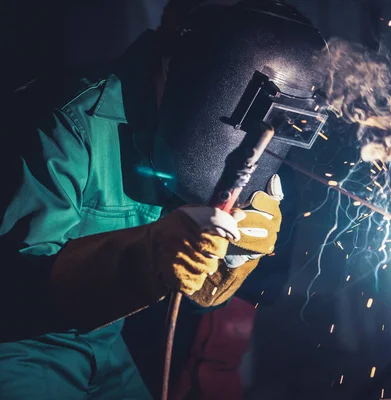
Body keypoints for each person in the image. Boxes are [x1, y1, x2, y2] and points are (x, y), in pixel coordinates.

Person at [0, 0, 328, 398]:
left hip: (102, 344)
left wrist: (230, 256)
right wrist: (150, 254)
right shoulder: (62, 122)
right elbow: (15, 291)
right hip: (18, 346)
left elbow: (195, 296)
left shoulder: (185, 135)